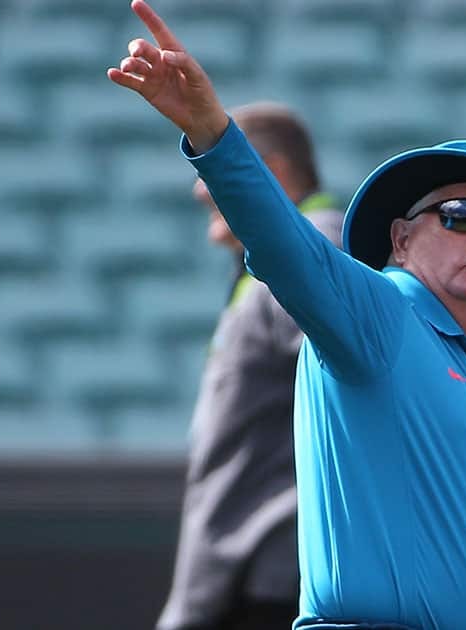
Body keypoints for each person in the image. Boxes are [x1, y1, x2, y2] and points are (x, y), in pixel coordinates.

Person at [107, 2, 466, 628]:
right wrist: (212, 132)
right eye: (462, 215)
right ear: (401, 240)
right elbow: (285, 245)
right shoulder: (380, 314)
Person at [157, 102, 344, 630]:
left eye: (207, 172)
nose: (198, 191)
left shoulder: (314, 246)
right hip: (256, 575)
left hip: (269, 579)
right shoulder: (286, 254)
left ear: (273, 172)